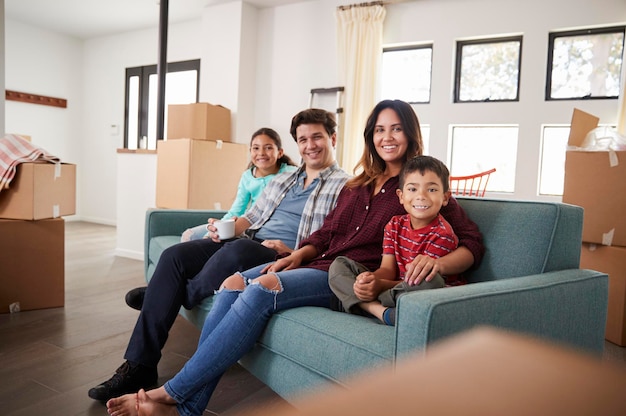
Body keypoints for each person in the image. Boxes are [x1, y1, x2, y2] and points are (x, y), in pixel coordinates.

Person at [106, 99, 484, 416]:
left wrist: (439, 263)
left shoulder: (421, 184)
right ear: (371, 136)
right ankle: (190, 408)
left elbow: (471, 242)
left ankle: (171, 394)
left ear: (411, 133)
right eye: (380, 129)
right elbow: (327, 233)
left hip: (348, 276)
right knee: (231, 285)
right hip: (316, 262)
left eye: (397, 128)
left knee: (260, 290)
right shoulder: (358, 184)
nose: (387, 137)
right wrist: (298, 254)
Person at [88, 108, 349, 402]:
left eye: (317, 137)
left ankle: (173, 294)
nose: (310, 145)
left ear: (333, 138)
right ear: (297, 144)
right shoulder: (282, 180)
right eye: (303, 139)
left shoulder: (346, 186)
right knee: (174, 256)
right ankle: (139, 366)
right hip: (248, 241)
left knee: (239, 249)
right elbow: (249, 218)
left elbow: (335, 240)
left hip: (281, 255)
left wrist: (295, 252)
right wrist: (222, 230)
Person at [328, 155, 460, 326]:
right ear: (401, 196)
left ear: (445, 197)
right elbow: (387, 269)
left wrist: (379, 286)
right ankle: (379, 310)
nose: (421, 196)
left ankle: (359, 304)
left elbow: (416, 281)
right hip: (393, 289)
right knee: (338, 265)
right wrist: (369, 280)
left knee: (431, 281)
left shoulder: (442, 234)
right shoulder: (394, 224)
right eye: (412, 189)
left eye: (432, 190)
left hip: (417, 291)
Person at [180, 127, 297, 242]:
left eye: (268, 148)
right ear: (250, 151)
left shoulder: (292, 173)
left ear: (280, 152)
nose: (261, 153)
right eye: (256, 148)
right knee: (189, 235)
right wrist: (214, 230)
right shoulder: (247, 176)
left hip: (262, 226)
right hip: (244, 221)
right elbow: (236, 210)